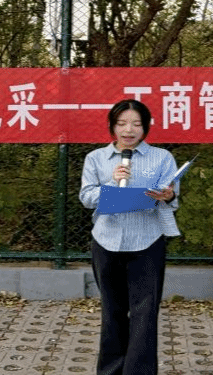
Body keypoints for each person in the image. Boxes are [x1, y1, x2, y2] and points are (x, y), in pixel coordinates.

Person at [79, 98, 181, 375]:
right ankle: (110, 371)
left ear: (145, 127)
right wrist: (112, 182)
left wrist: (168, 196)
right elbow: (86, 197)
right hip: (106, 242)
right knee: (112, 311)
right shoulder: (96, 158)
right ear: (112, 126)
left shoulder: (162, 158)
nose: (129, 130)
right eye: (122, 123)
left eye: (136, 124)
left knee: (144, 313)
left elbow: (173, 199)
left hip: (147, 242)